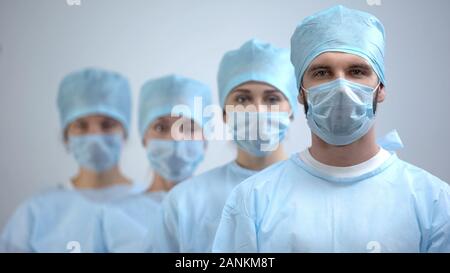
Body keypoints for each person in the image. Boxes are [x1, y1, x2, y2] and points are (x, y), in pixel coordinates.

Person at [212, 5, 450, 253]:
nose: (340, 86)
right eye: (322, 72)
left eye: (356, 71)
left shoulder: (433, 201)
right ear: (301, 93)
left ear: (380, 88)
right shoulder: (253, 201)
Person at [154, 39, 299, 252]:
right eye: (242, 99)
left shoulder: (315, 190)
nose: (257, 110)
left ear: (291, 110)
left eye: (272, 99)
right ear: (223, 113)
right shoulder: (185, 201)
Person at [0, 67, 141, 252]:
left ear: (125, 133)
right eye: (81, 126)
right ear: (66, 136)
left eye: (107, 125)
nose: (95, 136)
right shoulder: (34, 215)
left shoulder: (159, 207)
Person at [100, 74, 212, 252]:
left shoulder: (225, 211)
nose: (175, 139)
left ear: (205, 140)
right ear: (144, 137)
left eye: (187, 128)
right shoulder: (114, 216)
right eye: (161, 128)